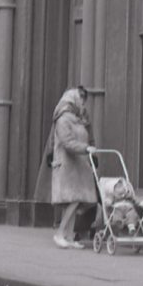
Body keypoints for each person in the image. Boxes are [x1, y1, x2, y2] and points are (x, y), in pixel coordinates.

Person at [49, 85, 97, 249]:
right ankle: (60, 233)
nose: (83, 104)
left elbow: (87, 136)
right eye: (81, 100)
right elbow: (67, 142)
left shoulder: (78, 118)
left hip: (77, 166)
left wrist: (89, 150)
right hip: (67, 165)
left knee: (74, 200)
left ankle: (68, 236)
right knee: (72, 199)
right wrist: (85, 148)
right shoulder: (63, 119)